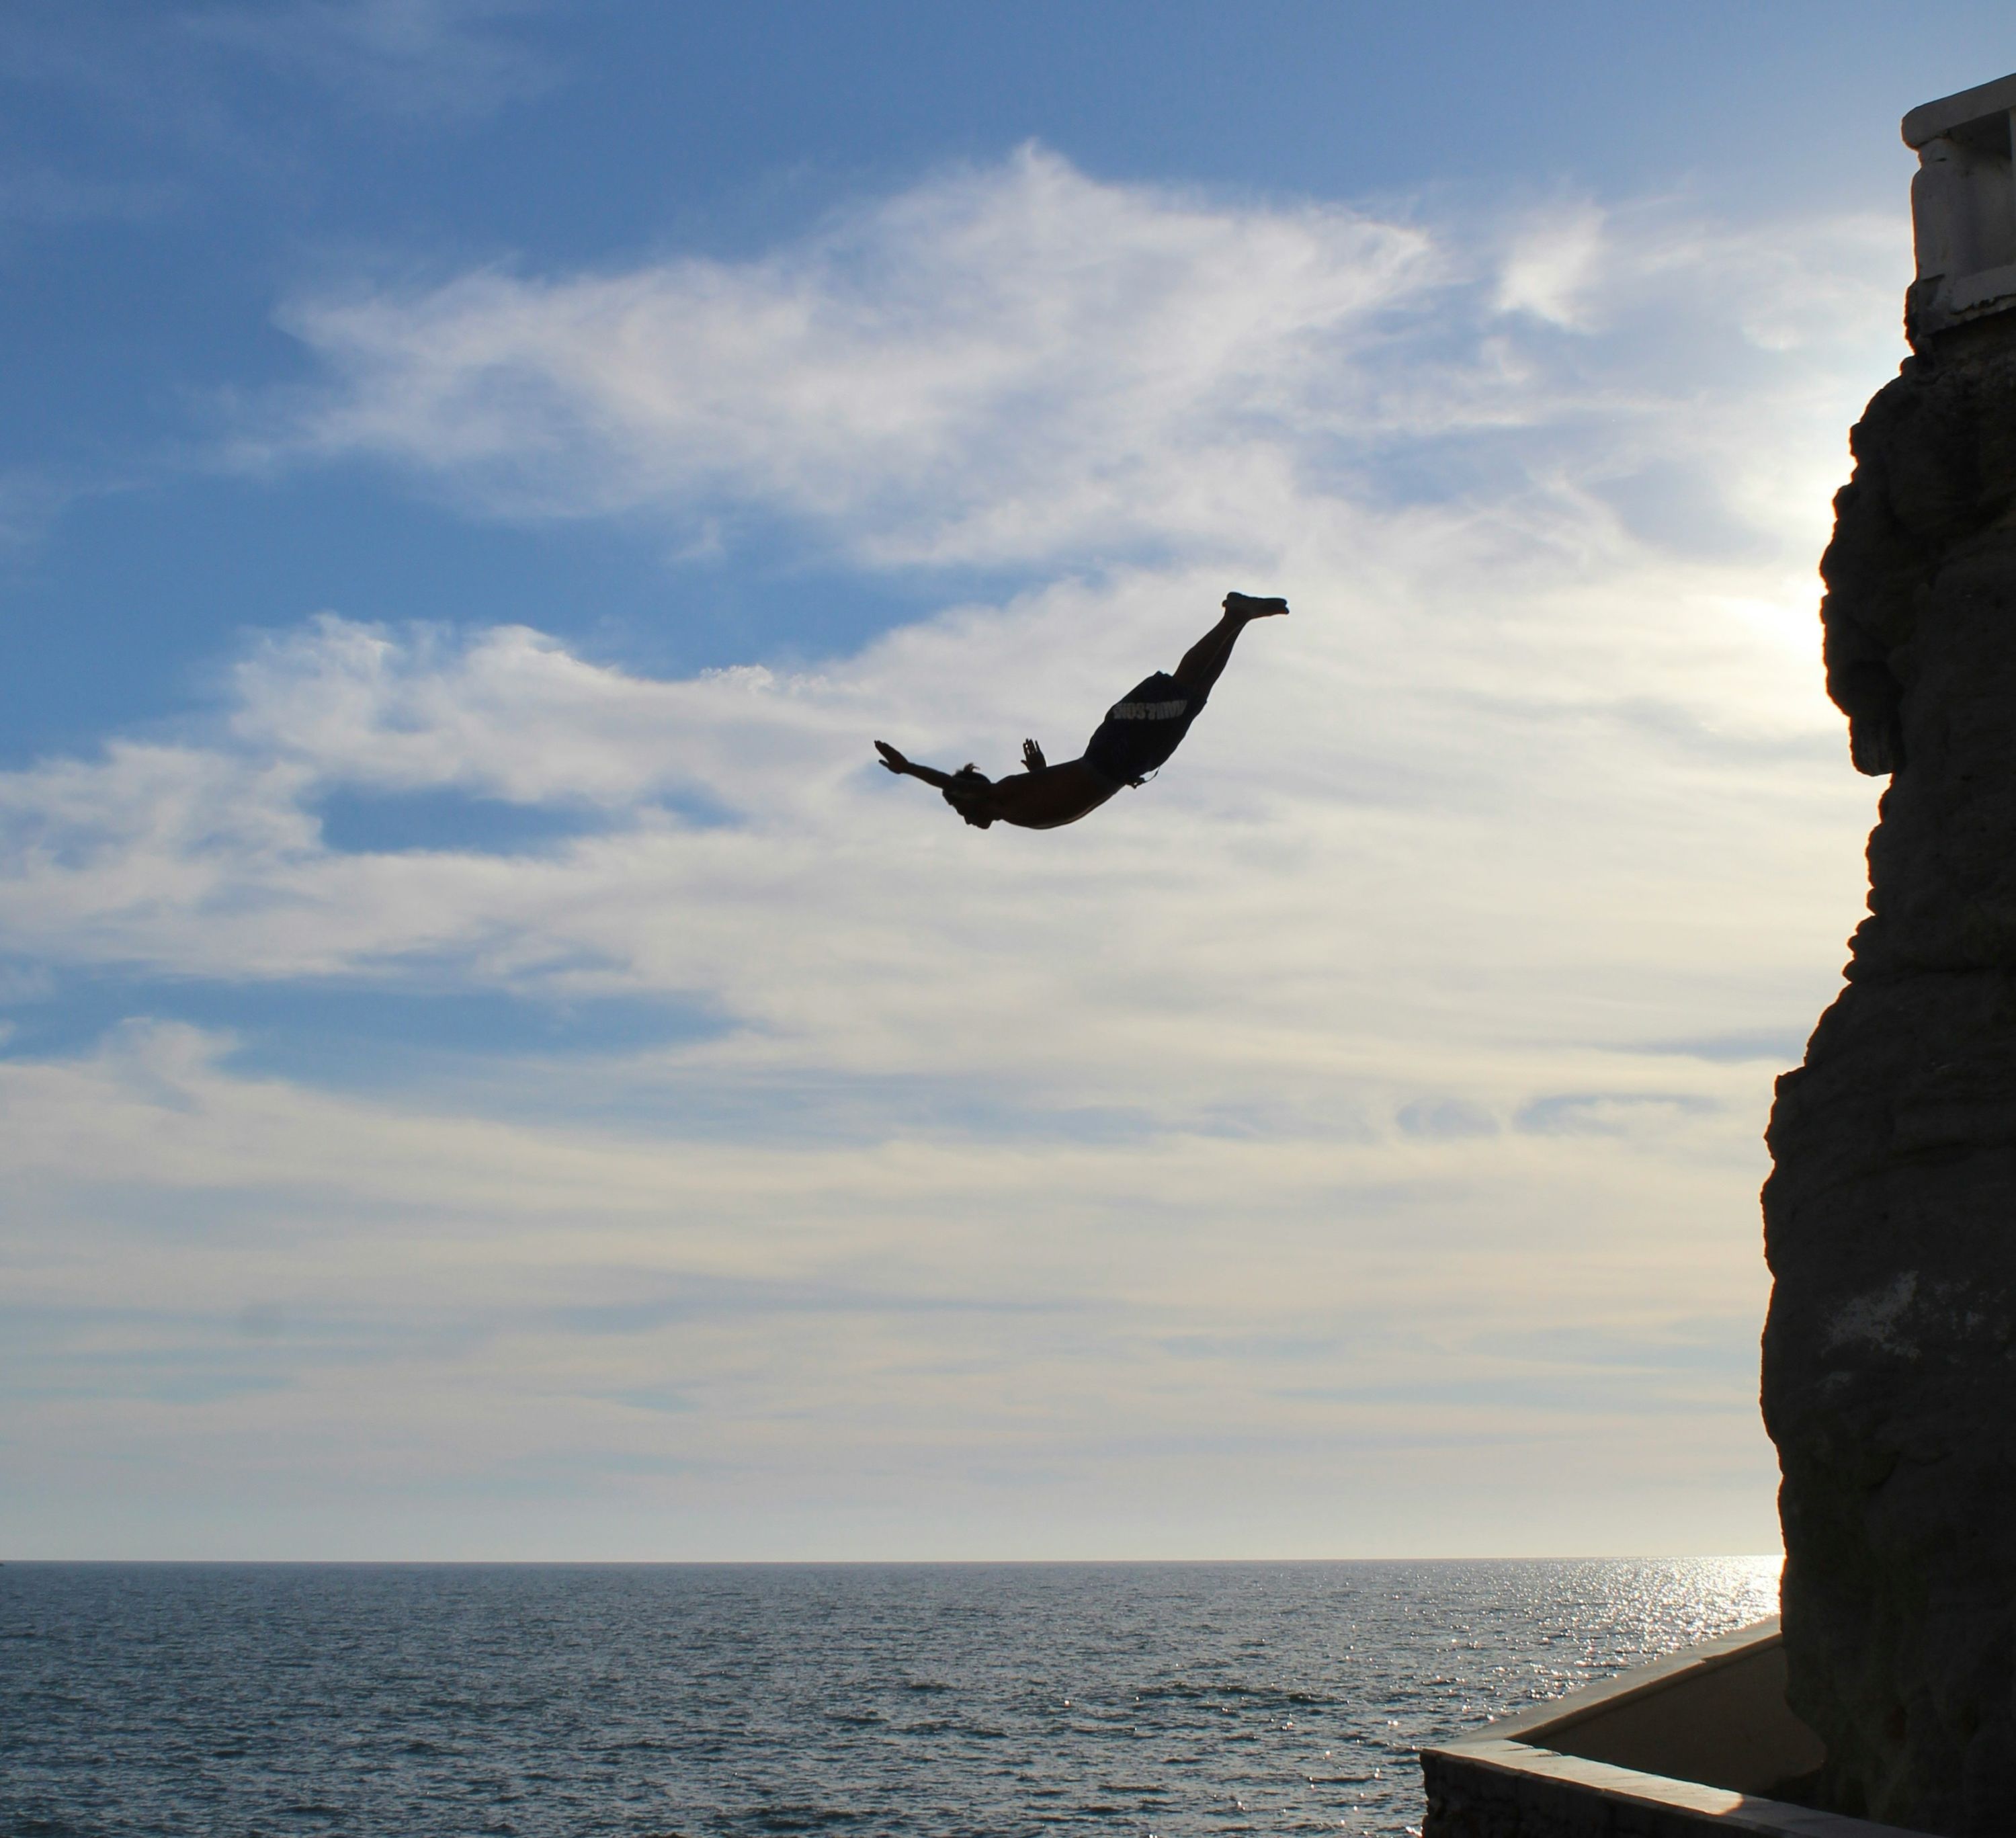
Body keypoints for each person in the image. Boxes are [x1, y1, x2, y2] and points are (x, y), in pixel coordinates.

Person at [874, 591, 1289, 830]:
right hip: (1125, 760)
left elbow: (952, 783)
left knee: (1182, 691)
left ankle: (1233, 618)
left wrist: (908, 768)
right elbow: (1058, 792)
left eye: (959, 807)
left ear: (970, 796)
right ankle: (1239, 621)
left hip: (1115, 753)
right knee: (1192, 701)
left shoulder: (998, 798)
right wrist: (1041, 770)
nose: (965, 820)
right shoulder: (1015, 801)